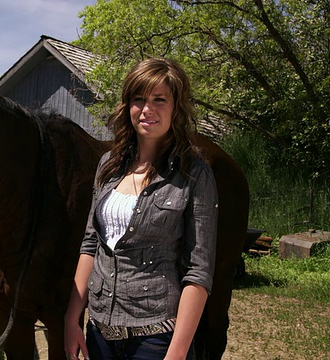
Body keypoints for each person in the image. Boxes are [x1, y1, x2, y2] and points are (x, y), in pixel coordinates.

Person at [64, 58, 219, 360]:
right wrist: (72, 318)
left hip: (156, 340)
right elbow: (90, 244)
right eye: (139, 99)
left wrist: (176, 353)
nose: (148, 109)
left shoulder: (194, 174)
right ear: (128, 106)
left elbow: (198, 272)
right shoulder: (107, 166)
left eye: (159, 99)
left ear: (176, 107)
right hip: (100, 335)